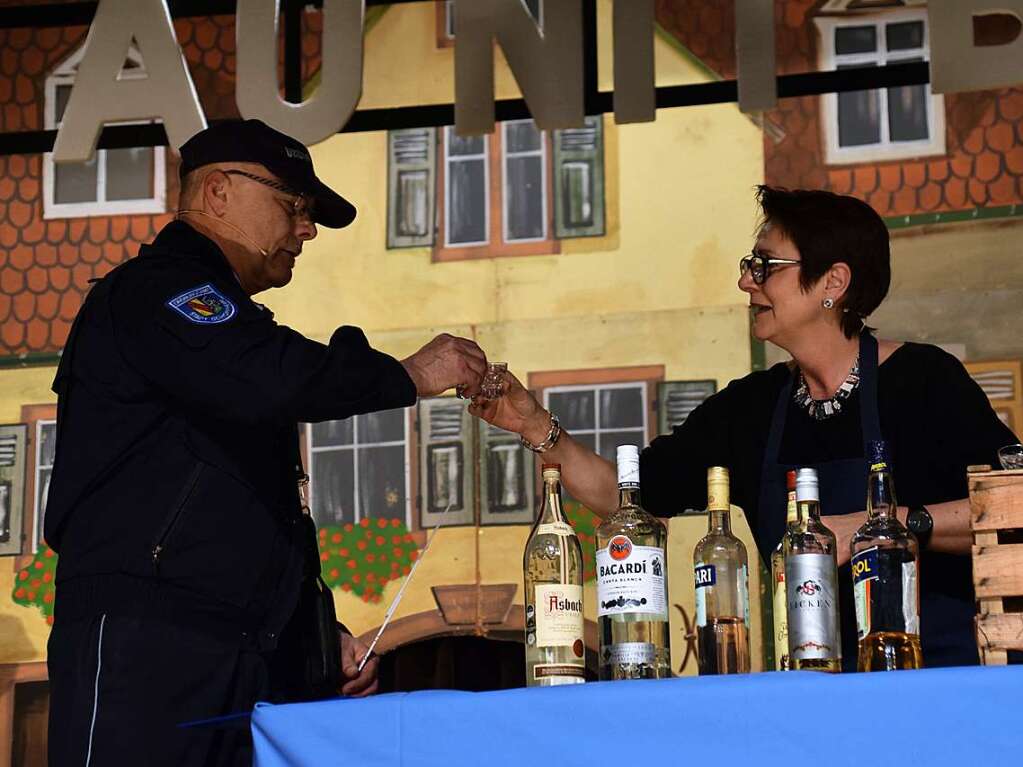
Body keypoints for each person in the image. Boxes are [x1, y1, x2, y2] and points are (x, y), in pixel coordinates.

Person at [44, 119, 488, 766]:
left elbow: (247, 507)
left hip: (235, 653)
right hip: (149, 645)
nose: (305, 229)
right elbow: (271, 377)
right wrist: (408, 373)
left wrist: (317, 635)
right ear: (218, 193)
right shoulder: (159, 290)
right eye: (293, 205)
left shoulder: (221, 330)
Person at [472, 186, 1017, 672]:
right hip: (812, 687)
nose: (744, 281)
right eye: (748, 264)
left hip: (943, 681)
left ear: (834, 281)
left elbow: (1014, 509)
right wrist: (535, 425)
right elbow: (625, 497)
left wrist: (890, 524)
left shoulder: (923, 380)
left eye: (765, 265)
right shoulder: (752, 407)